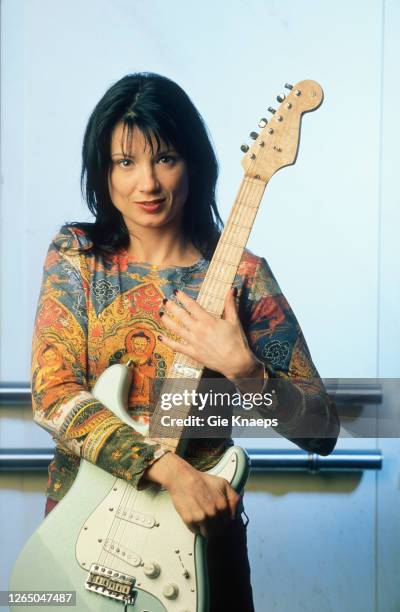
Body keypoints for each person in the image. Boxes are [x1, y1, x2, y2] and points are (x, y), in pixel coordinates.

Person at [31, 72, 340, 612]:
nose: (147, 184)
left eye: (166, 158)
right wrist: (172, 471)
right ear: (102, 171)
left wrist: (245, 370)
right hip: (79, 541)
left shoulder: (245, 278)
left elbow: (322, 430)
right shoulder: (78, 257)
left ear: (194, 163)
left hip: (198, 553)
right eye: (125, 162)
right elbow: (53, 394)